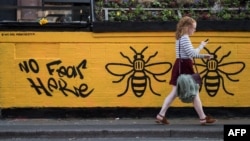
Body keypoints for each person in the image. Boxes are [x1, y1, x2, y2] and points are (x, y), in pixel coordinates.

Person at [155, 16, 216, 125]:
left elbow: (190, 52)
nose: (195, 30)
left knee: (175, 93)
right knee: (193, 91)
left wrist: (201, 46)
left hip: (180, 64)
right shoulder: (185, 38)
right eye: (194, 28)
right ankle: (203, 118)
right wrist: (204, 56)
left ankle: (161, 115)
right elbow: (192, 54)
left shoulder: (180, 38)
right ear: (188, 27)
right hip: (184, 66)